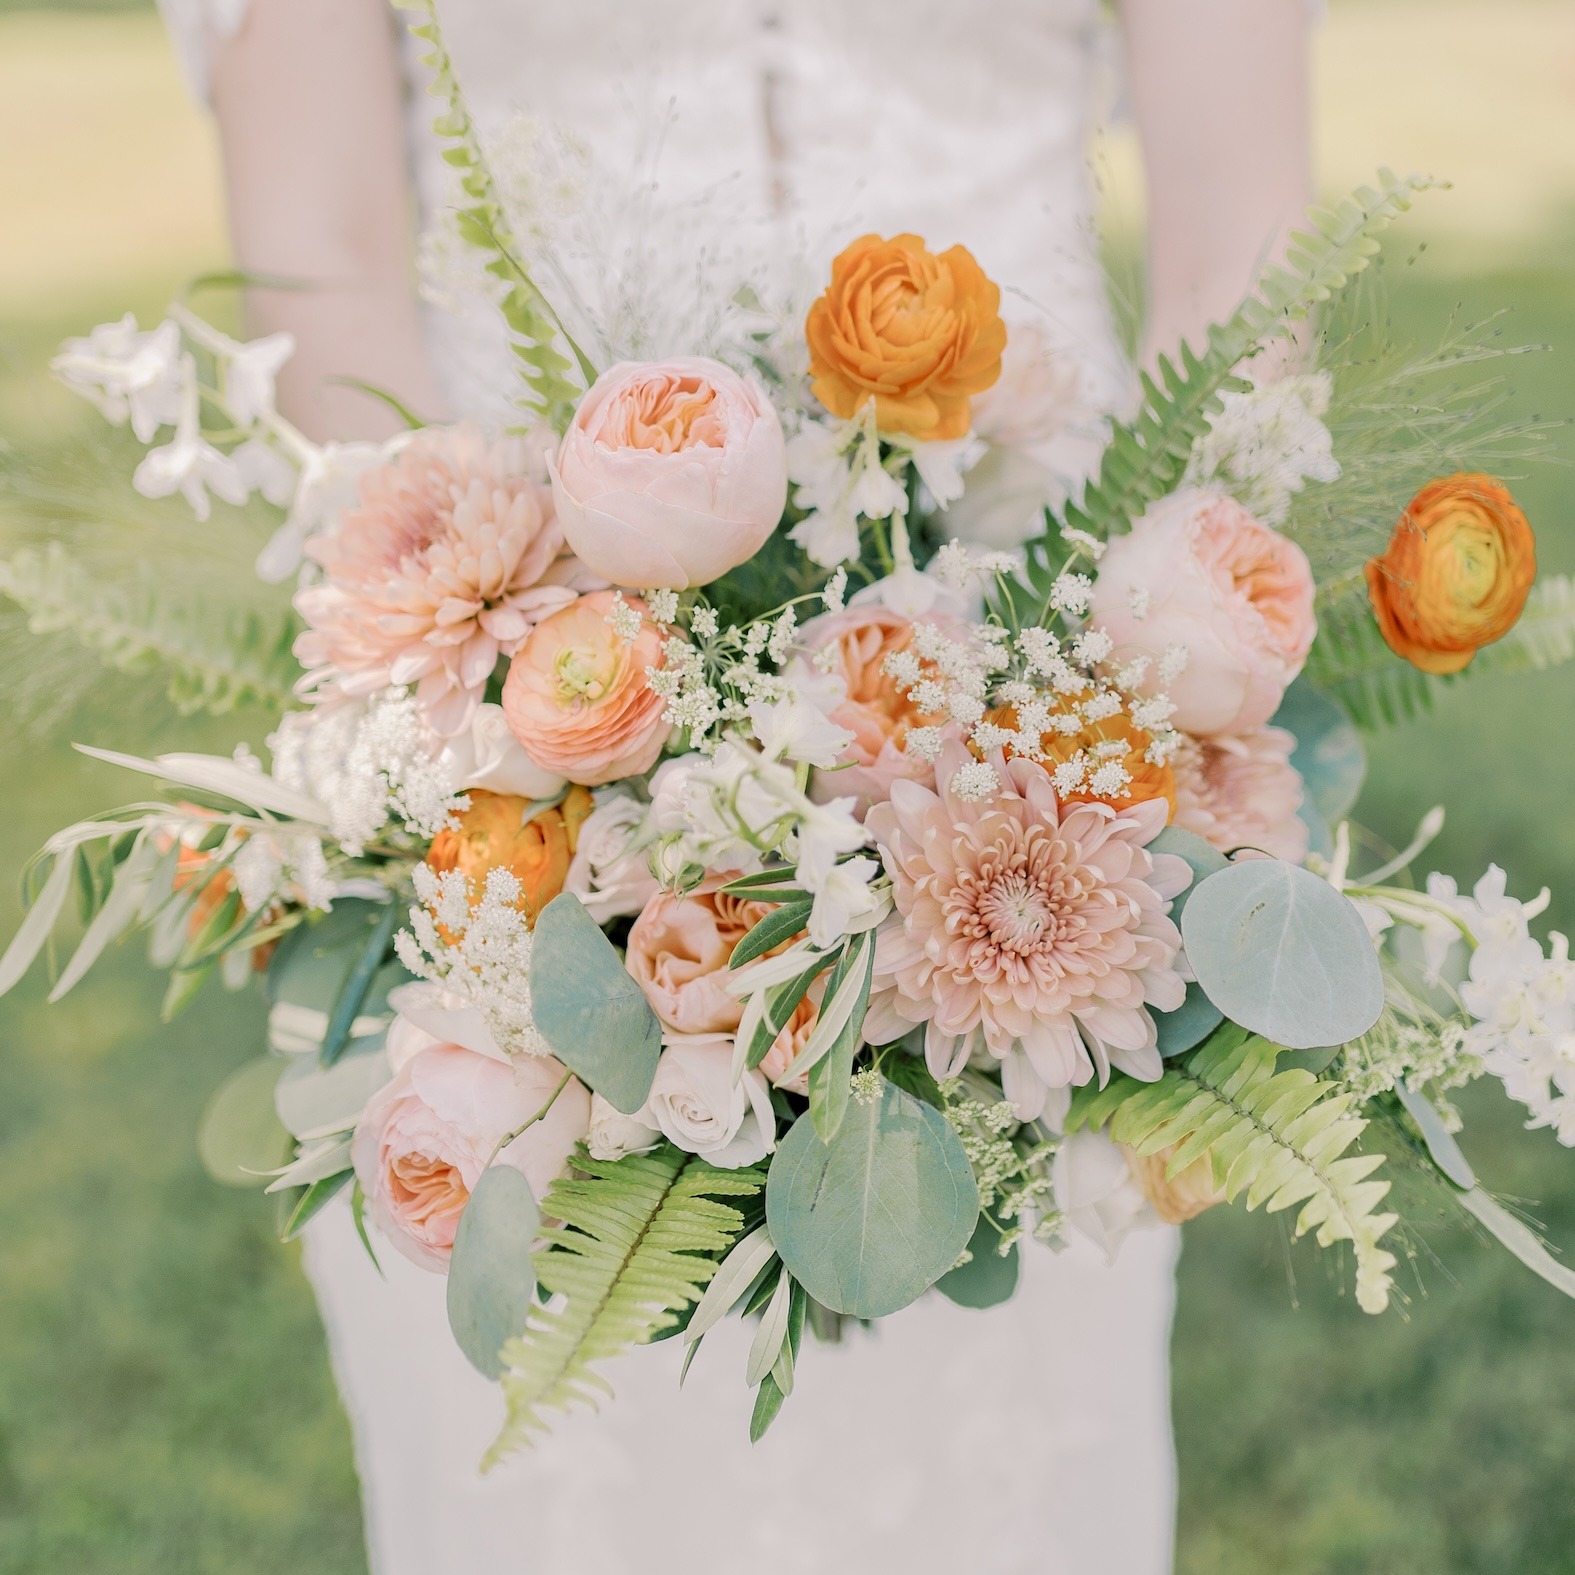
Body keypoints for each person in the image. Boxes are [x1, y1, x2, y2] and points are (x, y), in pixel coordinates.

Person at [156, 2, 1312, 1570]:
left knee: (1005, 1414)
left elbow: (1236, 235)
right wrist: (531, 708)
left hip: (1051, 670)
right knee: (553, 1393)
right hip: (524, 705)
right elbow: (326, 253)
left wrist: (1148, 687)